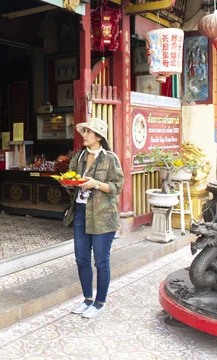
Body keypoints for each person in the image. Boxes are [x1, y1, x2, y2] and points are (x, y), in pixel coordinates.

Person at [62, 118, 124, 319]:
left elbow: (117, 187)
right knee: (81, 259)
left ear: (98, 137)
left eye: (88, 132)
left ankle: (99, 302)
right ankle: (87, 299)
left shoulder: (110, 158)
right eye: (85, 131)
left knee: (101, 261)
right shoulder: (79, 157)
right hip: (80, 212)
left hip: (103, 215)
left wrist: (96, 184)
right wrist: (68, 182)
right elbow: (72, 178)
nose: (84, 135)